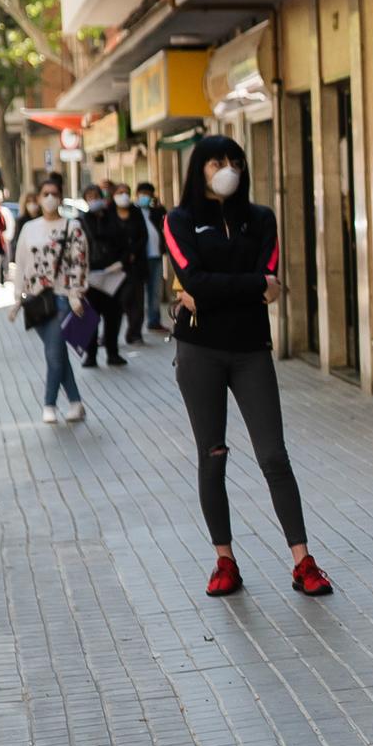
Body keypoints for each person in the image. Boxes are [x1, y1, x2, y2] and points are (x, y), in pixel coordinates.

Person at [164, 135, 332, 599]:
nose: (227, 168)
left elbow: (270, 279)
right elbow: (195, 277)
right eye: (217, 161)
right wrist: (247, 285)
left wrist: (216, 288)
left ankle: (303, 562)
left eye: (234, 161)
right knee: (212, 456)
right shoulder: (179, 220)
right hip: (199, 351)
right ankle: (224, 560)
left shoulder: (261, 219)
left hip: (251, 350)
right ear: (199, 168)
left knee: (273, 456)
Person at [11, 178, 89, 423]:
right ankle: (76, 402)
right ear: (38, 197)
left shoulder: (72, 226)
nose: (49, 198)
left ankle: (49, 403)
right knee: (58, 354)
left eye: (54, 193)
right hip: (35, 300)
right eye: (45, 193)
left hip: (63, 297)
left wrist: (77, 293)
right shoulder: (30, 228)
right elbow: (21, 262)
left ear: (61, 196)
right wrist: (17, 298)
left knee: (54, 353)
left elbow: (80, 262)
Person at [80, 183, 140, 368]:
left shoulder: (111, 218)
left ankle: (112, 353)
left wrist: (122, 262)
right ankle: (90, 355)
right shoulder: (82, 220)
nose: (93, 200)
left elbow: (124, 241)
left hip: (114, 274)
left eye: (96, 195)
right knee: (90, 317)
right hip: (91, 275)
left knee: (113, 316)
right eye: (89, 196)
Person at [135, 181, 169, 335]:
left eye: (148, 194)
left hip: (156, 257)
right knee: (138, 293)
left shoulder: (155, 211)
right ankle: (136, 326)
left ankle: (154, 321)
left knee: (155, 291)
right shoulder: (133, 212)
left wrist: (158, 206)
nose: (145, 197)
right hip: (140, 259)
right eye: (143, 194)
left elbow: (165, 220)